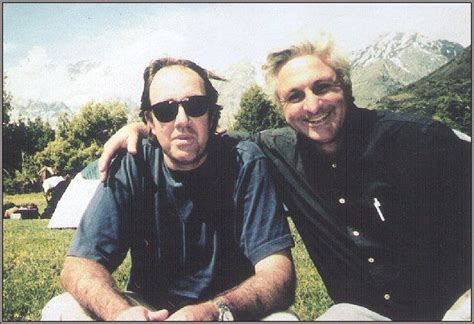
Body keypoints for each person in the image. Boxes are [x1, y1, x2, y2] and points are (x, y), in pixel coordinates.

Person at [99, 34, 471, 321]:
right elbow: (201, 136)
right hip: (366, 314)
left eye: (322, 87)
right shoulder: (276, 150)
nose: (312, 106)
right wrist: (146, 127)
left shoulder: (421, 140)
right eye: (294, 96)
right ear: (282, 108)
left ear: (346, 85)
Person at [41, 57, 298, 321]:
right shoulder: (133, 164)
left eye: (195, 106)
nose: (182, 120)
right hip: (152, 312)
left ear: (211, 116)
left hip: (228, 311)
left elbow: (278, 274)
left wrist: (213, 312)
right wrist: (121, 313)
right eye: (165, 110)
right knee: (61, 310)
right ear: (149, 122)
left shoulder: (246, 161)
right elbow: (78, 265)